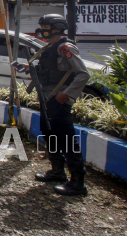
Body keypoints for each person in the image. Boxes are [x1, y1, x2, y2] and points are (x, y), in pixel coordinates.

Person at [13, 14, 90, 196]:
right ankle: (57, 171)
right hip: (47, 99)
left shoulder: (65, 47)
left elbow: (83, 74)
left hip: (58, 100)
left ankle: (78, 182)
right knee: (50, 135)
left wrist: (66, 95)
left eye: (45, 26)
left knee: (67, 140)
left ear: (56, 28)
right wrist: (27, 67)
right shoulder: (49, 48)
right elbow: (48, 70)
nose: (42, 29)